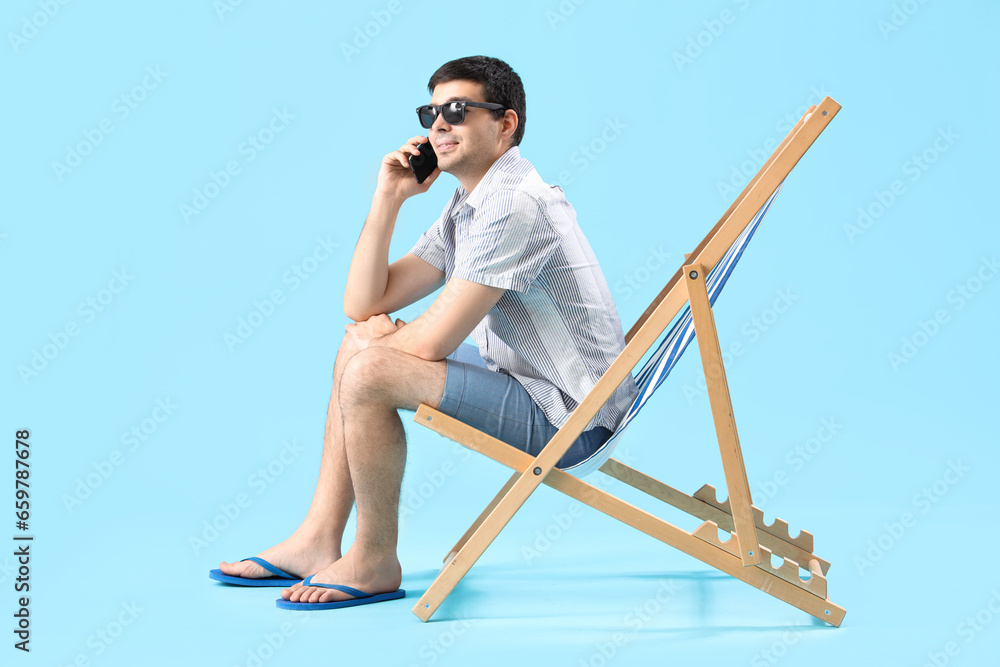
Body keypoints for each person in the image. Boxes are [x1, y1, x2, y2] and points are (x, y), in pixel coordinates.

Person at [212, 55, 638, 609]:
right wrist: (387, 198)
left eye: (457, 111)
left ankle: (373, 560)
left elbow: (430, 345)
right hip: (528, 381)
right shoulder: (472, 201)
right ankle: (318, 539)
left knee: (368, 368)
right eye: (431, 112)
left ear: (505, 124)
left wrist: (377, 349)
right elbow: (365, 302)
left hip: (572, 417)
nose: (437, 126)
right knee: (359, 341)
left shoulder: (513, 203)